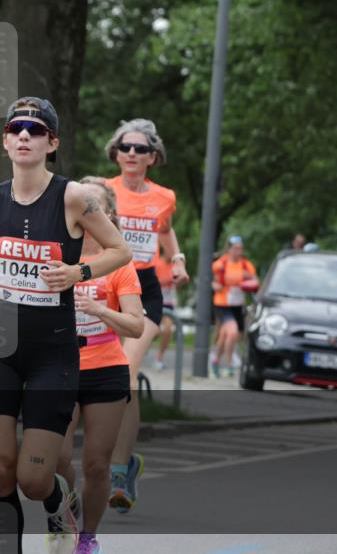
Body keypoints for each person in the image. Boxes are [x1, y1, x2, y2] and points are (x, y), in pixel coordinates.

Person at [0, 97, 132, 554]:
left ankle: (58, 502)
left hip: (52, 348)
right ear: (7, 142)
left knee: (32, 478)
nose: (24, 136)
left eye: (35, 129)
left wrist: (79, 273)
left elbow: (121, 250)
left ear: (52, 142)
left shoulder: (74, 197)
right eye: (16, 129)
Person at [53, 177, 144, 554]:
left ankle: (87, 537)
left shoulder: (120, 266)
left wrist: (101, 310)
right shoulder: (55, 257)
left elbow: (136, 325)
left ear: (107, 214)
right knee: (56, 459)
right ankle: (69, 501)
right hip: (59, 365)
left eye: (97, 205)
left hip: (106, 366)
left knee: (96, 464)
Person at [104, 118, 189, 514]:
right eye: (125, 147)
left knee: (123, 371)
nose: (132, 154)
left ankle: (118, 472)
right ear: (116, 153)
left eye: (140, 149)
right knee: (119, 380)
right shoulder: (101, 192)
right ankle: (126, 462)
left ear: (153, 157)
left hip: (145, 290)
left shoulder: (164, 197)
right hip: (106, 288)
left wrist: (178, 259)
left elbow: (165, 229)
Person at [211, 235, 258, 378]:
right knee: (231, 332)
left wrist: (249, 279)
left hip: (238, 305)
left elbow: (256, 281)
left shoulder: (246, 265)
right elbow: (213, 282)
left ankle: (215, 360)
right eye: (236, 249)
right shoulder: (221, 264)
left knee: (227, 336)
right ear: (229, 249)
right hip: (223, 304)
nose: (239, 251)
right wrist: (215, 286)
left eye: (241, 249)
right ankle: (230, 363)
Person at [151, 251, 177, 370]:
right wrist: (167, 280)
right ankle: (142, 346)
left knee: (167, 330)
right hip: (155, 300)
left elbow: (176, 282)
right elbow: (153, 282)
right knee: (154, 331)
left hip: (168, 301)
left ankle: (159, 358)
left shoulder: (175, 265)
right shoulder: (157, 262)